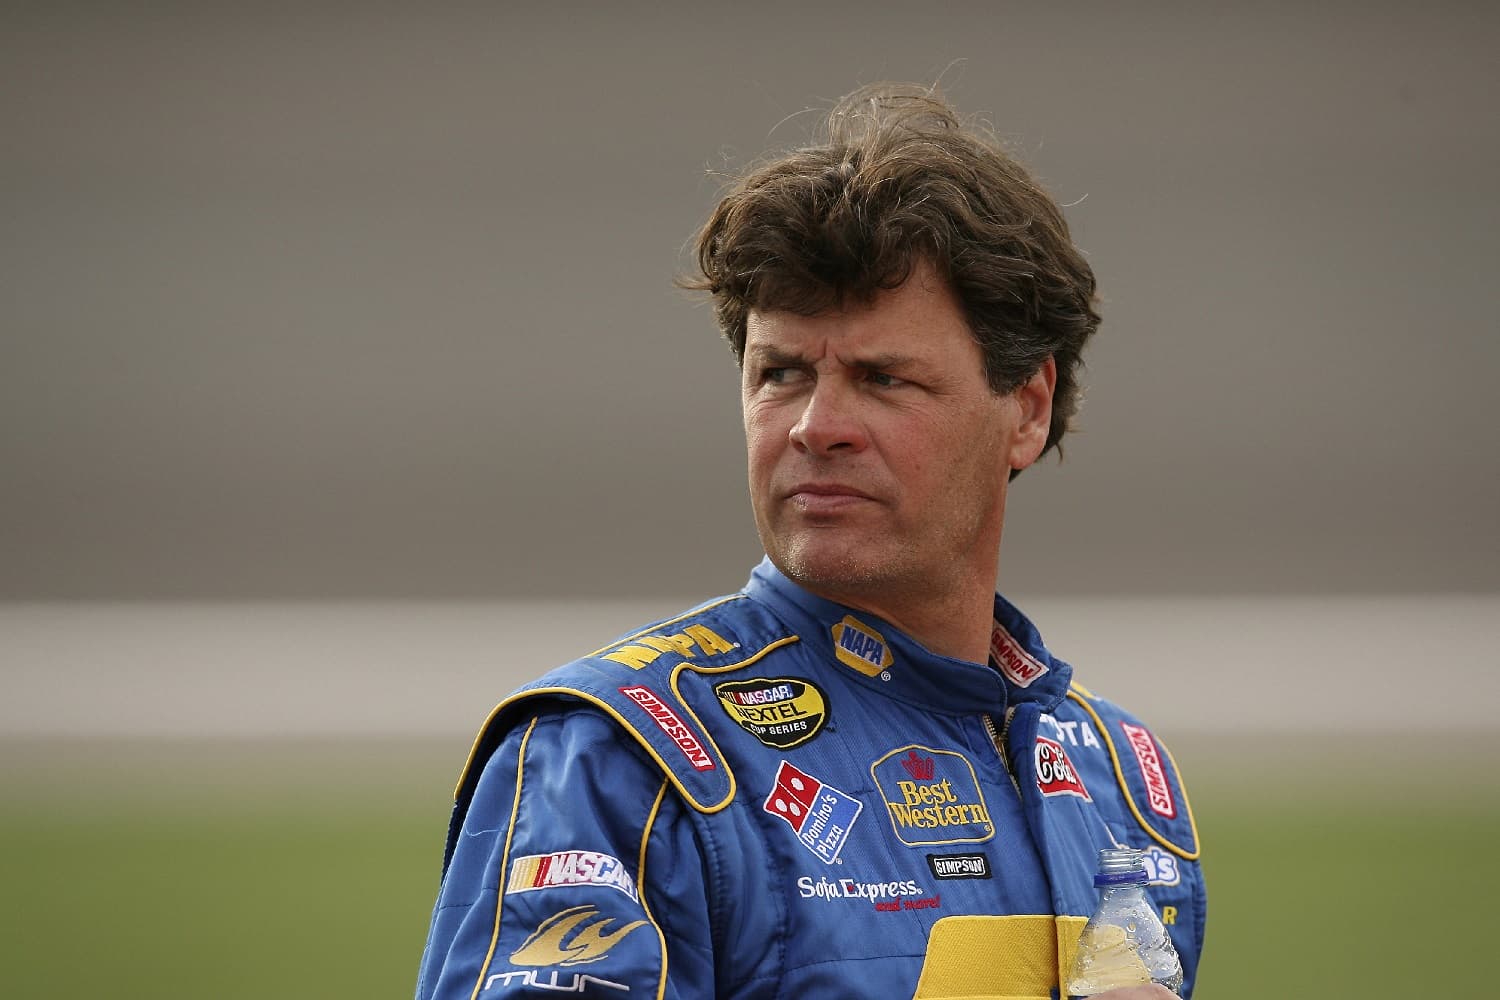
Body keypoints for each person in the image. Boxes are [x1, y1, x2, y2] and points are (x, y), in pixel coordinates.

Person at [415, 83, 1205, 1000]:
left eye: (883, 378)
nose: (816, 425)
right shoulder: (621, 759)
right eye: (781, 373)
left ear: (1025, 409)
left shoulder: (1124, 788)